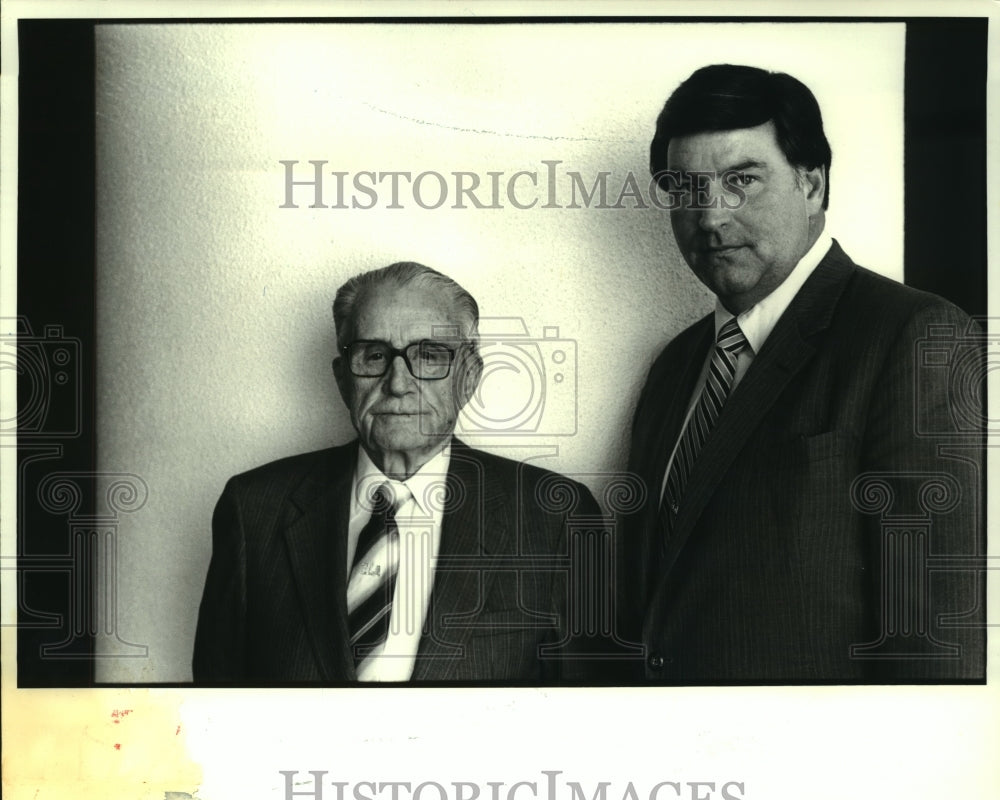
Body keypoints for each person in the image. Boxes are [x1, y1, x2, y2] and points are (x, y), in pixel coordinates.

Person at [622, 64, 984, 682]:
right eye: (687, 187)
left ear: (812, 185)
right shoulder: (673, 367)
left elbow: (936, 632)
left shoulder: (912, 333)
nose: (709, 216)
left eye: (741, 180)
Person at [193, 261, 602, 682]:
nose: (398, 382)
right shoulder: (254, 508)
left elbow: (590, 720)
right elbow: (213, 706)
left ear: (470, 377)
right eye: (374, 355)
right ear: (342, 379)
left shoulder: (555, 518)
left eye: (429, 355)